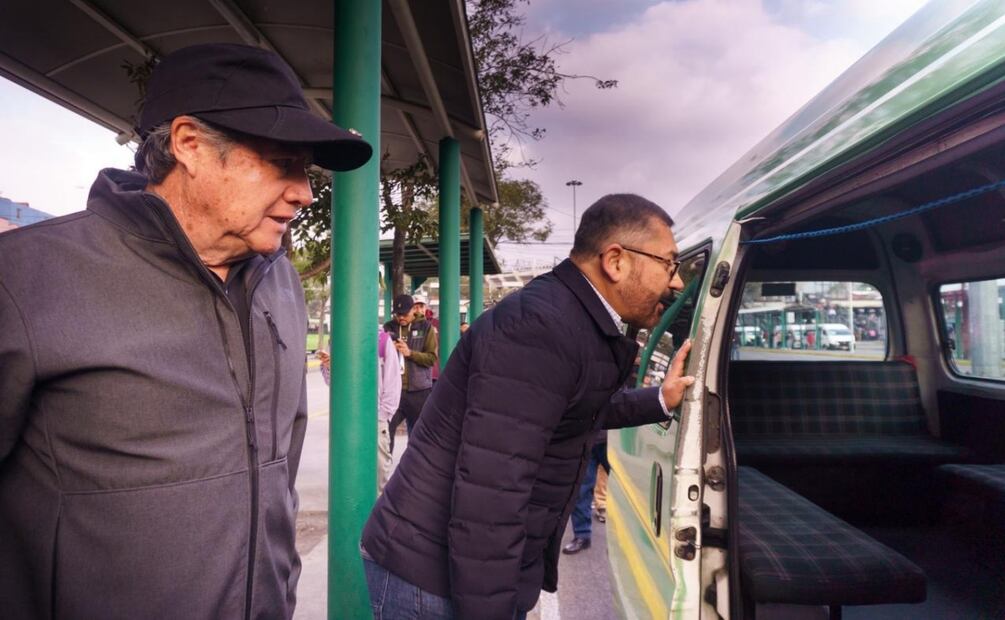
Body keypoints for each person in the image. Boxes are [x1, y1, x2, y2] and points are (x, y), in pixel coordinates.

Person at [0, 43, 372, 618]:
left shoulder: (281, 283)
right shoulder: (24, 278)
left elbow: (280, 473)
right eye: (282, 162)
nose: (304, 191)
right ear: (189, 145)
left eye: (306, 170)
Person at [361, 194, 694, 619]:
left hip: (458, 568)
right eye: (669, 264)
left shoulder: (573, 320)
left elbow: (571, 411)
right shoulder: (541, 328)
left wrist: (660, 400)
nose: (677, 282)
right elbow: (492, 490)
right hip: (431, 574)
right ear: (615, 261)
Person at [319, 330, 401, 494]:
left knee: (378, 475)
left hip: (375, 417)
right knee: (349, 475)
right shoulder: (337, 339)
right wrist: (329, 367)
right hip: (347, 420)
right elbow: (331, 381)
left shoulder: (382, 341)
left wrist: (382, 416)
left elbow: (392, 382)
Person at [384, 294, 439, 437]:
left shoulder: (426, 327)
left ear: (413, 310)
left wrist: (410, 353)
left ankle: (415, 460)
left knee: (418, 435)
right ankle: (386, 460)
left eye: (405, 314)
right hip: (394, 391)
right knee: (385, 432)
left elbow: (432, 358)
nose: (401, 317)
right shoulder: (388, 327)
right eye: (397, 314)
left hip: (419, 391)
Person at [562, 430, 611, 554]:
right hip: (586, 437)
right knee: (580, 490)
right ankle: (582, 535)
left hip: (615, 440)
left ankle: (625, 541)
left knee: (625, 490)